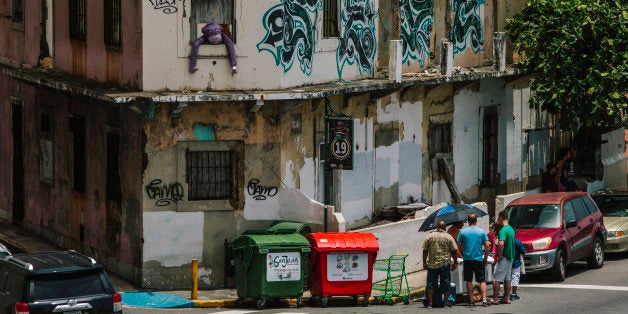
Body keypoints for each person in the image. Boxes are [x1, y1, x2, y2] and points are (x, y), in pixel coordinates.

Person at [422, 220, 459, 308]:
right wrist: (455, 262)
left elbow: (425, 251)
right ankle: (446, 303)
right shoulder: (448, 237)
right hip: (445, 264)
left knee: (431, 284)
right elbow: (454, 251)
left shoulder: (429, 236)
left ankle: (430, 303)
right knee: (446, 283)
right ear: (444, 227)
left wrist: (424, 262)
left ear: (437, 227)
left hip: (432, 264)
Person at [457, 213, 491, 307]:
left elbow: (458, 246)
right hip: (478, 259)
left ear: (468, 221)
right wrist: (485, 257)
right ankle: (484, 300)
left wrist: (462, 254)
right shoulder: (481, 232)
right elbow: (487, 245)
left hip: (467, 259)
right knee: (482, 280)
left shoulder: (463, 232)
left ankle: (471, 300)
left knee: (468, 280)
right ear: (476, 220)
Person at [490, 210, 515, 305]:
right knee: (507, 279)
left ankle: (495, 298)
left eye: (498, 219)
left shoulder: (503, 230)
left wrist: (499, 256)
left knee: (496, 278)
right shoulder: (511, 229)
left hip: (504, 257)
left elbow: (501, 243)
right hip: (510, 257)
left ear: (500, 218)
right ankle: (506, 298)